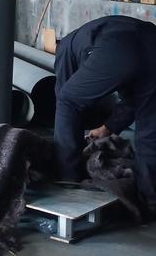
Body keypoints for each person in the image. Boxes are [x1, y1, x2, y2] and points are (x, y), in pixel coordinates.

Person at [54, 14, 156, 215]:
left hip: (120, 45)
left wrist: (66, 150)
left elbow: (66, 99)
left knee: (67, 100)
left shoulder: (65, 47)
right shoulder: (90, 34)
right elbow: (132, 101)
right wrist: (107, 128)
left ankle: (68, 181)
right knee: (149, 130)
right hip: (152, 38)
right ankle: (150, 201)